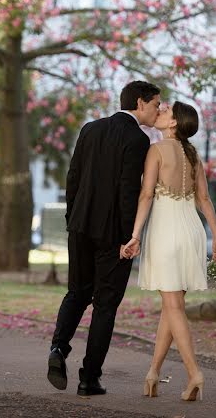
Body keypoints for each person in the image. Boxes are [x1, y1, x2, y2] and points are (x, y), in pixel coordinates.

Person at [47, 80, 161, 396]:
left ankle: (58, 348)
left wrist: (73, 217)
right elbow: (128, 192)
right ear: (140, 103)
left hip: (80, 227)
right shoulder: (137, 139)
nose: (157, 111)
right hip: (112, 235)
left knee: (76, 292)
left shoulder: (90, 129)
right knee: (105, 306)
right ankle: (89, 379)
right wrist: (130, 238)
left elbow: (73, 176)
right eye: (155, 105)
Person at [122, 101, 216, 402]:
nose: (162, 111)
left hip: (167, 232)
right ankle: (153, 372)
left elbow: (146, 194)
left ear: (174, 123)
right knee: (172, 305)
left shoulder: (156, 150)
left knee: (173, 306)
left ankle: (195, 374)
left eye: (167, 111)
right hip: (192, 231)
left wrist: (135, 234)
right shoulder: (193, 155)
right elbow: (204, 199)